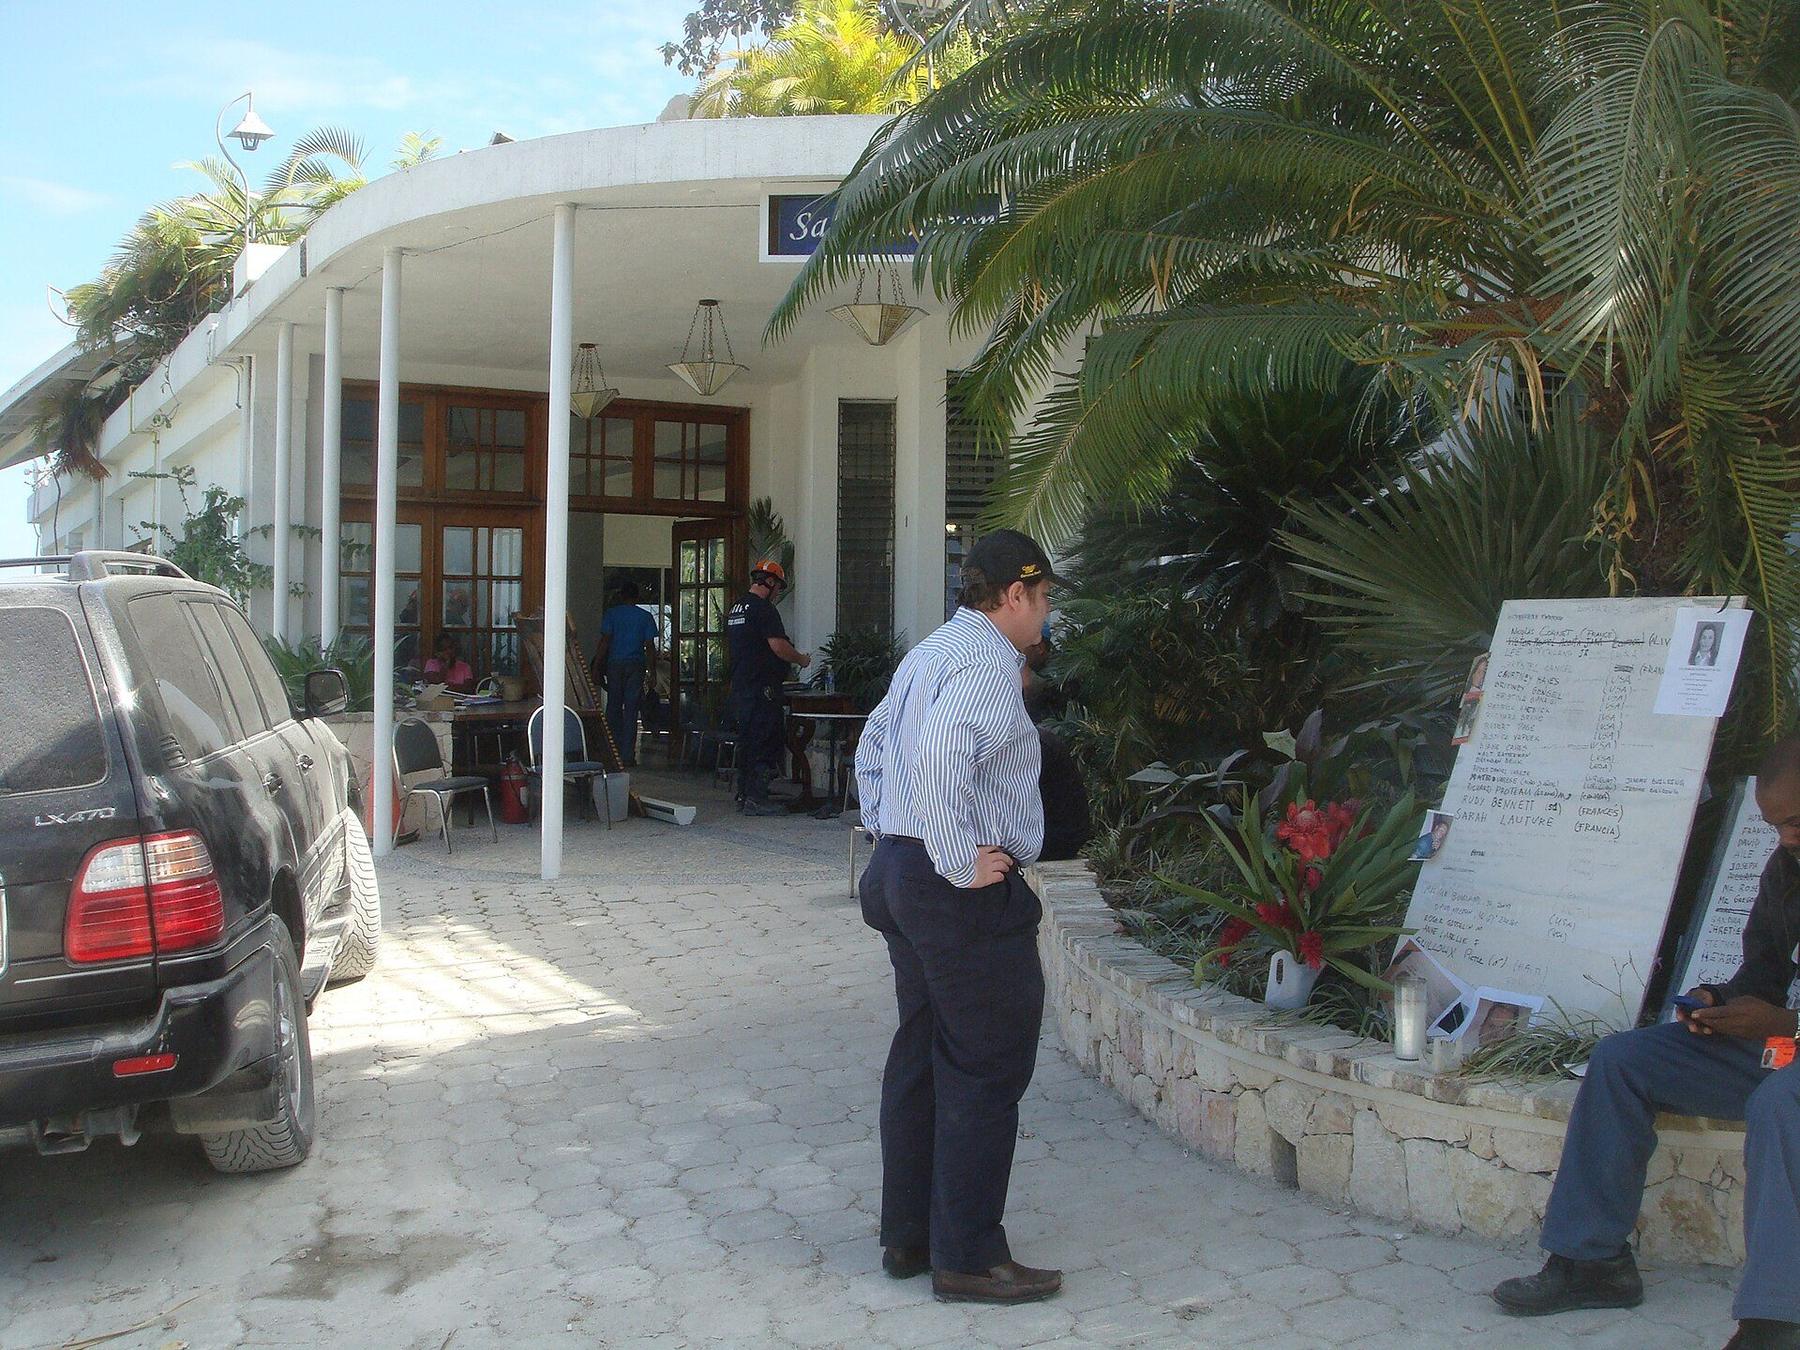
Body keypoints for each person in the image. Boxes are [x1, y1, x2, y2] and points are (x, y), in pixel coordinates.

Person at [1491, 735, 1800, 1350]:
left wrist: (1784, 1027)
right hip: (1786, 1046)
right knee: (1623, 1061)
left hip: (1791, 1053)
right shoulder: (1788, 868)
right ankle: (1591, 1262)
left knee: (1781, 1104)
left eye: (1795, 821)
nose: (1786, 838)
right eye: (1775, 826)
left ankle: (1778, 1318)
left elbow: (1781, 1020)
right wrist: (1719, 1005)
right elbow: (1763, 974)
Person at [854, 528, 1067, 1306]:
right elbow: (945, 749)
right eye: (1042, 599)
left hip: (901, 874)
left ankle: (910, 1238)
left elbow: (874, 742)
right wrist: (952, 857)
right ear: (1013, 595)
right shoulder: (985, 664)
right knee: (986, 1062)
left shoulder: (932, 652)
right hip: (953, 887)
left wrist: (896, 835)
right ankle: (970, 1257)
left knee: (924, 1052)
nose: (1045, 616)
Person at [725, 560, 810, 816]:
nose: (778, 594)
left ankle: (745, 794)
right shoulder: (764, 610)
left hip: (742, 686)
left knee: (748, 742)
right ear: (770, 583)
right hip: (761, 688)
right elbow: (778, 646)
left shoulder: (737, 608)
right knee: (765, 741)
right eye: (779, 588)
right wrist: (801, 659)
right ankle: (757, 798)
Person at [594, 580, 658, 767]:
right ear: (637, 597)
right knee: (631, 710)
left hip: (615, 663)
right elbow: (650, 646)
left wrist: (596, 666)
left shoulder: (612, 615)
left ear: (621, 596)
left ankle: (612, 753)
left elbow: (605, 641)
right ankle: (628, 755)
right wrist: (652, 671)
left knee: (613, 707)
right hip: (635, 664)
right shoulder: (645, 617)